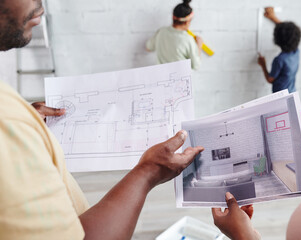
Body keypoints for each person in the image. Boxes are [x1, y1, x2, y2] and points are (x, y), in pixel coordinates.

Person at [0, 0, 204, 239]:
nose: (41, 5)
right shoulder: (7, 122)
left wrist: (25, 117)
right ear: (188, 20)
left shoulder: (10, 114)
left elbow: (149, 45)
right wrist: (149, 171)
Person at [212, 0, 301, 239]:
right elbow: (292, 38)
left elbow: (271, 79)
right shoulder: (295, 52)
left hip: (278, 100)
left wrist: (244, 236)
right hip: (291, 95)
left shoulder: (281, 59)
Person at [146, 0, 203, 70]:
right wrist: (199, 46)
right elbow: (196, 66)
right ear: (187, 21)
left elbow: (148, 47)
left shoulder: (161, 32)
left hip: (160, 78)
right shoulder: (188, 39)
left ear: (173, 17)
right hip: (179, 80)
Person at [257, 7, 301, 93]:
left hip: (280, 95)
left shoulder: (279, 60)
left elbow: (270, 79)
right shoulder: (296, 51)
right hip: (292, 91)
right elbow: (290, 34)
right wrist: (273, 17)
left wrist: (263, 64)